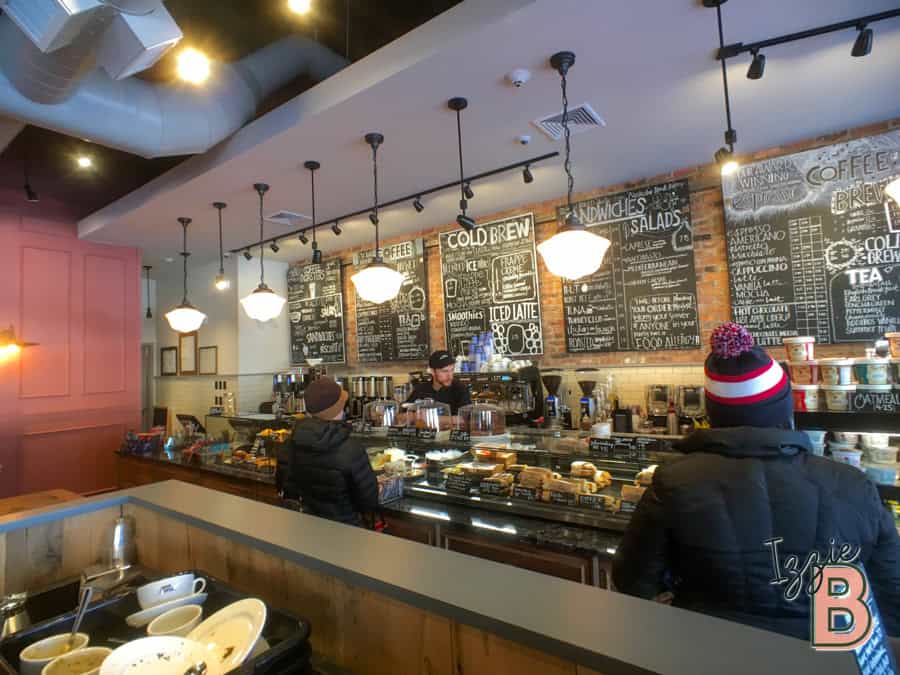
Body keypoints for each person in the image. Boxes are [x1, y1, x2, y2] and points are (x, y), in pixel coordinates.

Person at [612, 322, 900, 640]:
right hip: (826, 658)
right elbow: (892, 597)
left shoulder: (674, 482)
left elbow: (632, 580)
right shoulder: (852, 485)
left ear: (714, 414)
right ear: (785, 408)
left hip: (707, 651)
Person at [285, 376, 378, 527]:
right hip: (347, 530)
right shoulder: (351, 448)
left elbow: (288, 485)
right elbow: (369, 501)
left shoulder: (293, 440)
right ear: (339, 409)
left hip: (307, 527)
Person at [406, 349, 471, 414]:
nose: (450, 376)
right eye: (444, 371)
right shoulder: (421, 390)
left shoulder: (460, 389)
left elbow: (464, 419)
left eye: (452, 370)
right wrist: (416, 416)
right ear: (432, 371)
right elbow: (401, 415)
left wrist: (428, 418)